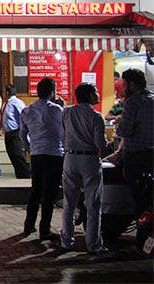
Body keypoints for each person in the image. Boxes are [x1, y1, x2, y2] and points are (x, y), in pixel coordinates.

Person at [59, 83, 109, 254]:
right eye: (95, 91)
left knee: (69, 202)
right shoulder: (96, 117)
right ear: (89, 96)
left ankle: (66, 240)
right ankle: (93, 244)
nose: (98, 94)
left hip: (70, 157)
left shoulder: (67, 112)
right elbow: (100, 144)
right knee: (93, 204)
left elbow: (62, 134)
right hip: (89, 159)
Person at [20, 77, 64, 240]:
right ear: (52, 92)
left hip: (37, 154)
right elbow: (63, 133)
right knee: (49, 193)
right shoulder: (57, 110)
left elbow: (22, 134)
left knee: (35, 190)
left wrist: (30, 148)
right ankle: (44, 228)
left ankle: (28, 225)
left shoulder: (27, 110)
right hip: (54, 153)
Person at [115, 68, 154, 219]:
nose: (123, 89)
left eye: (124, 85)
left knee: (133, 185)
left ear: (132, 85)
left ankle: (141, 217)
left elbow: (124, 131)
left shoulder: (133, 102)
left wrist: (119, 124)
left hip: (136, 156)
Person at [0, 84, 31, 179]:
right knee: (13, 157)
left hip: (16, 133)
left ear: (8, 92)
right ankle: (20, 176)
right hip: (8, 133)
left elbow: (24, 116)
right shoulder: (6, 103)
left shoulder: (16, 103)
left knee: (18, 156)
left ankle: (26, 176)